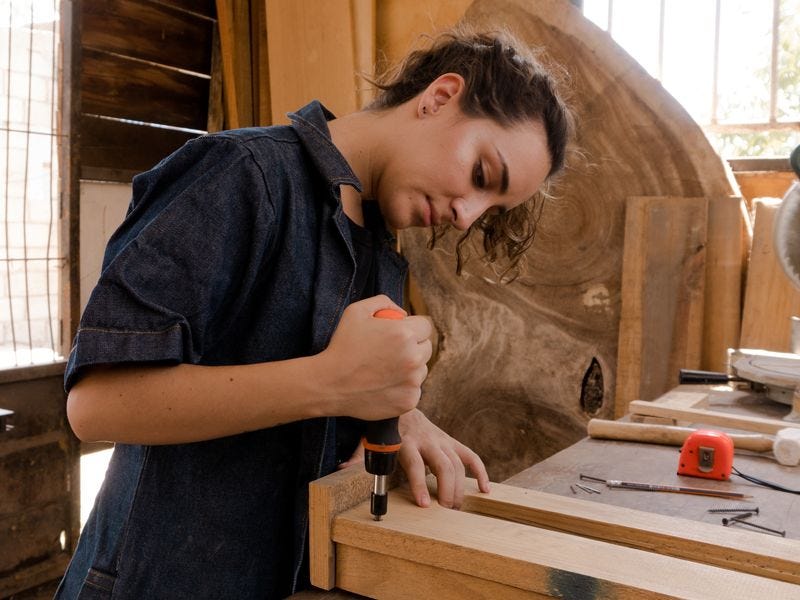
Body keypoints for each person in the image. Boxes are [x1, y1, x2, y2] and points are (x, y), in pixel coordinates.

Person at [56, 24, 573, 600]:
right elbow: (97, 404)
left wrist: (393, 413)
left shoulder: (378, 241)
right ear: (440, 96)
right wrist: (334, 384)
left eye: (491, 210)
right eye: (481, 176)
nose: (466, 216)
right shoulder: (241, 175)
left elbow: (292, 380)